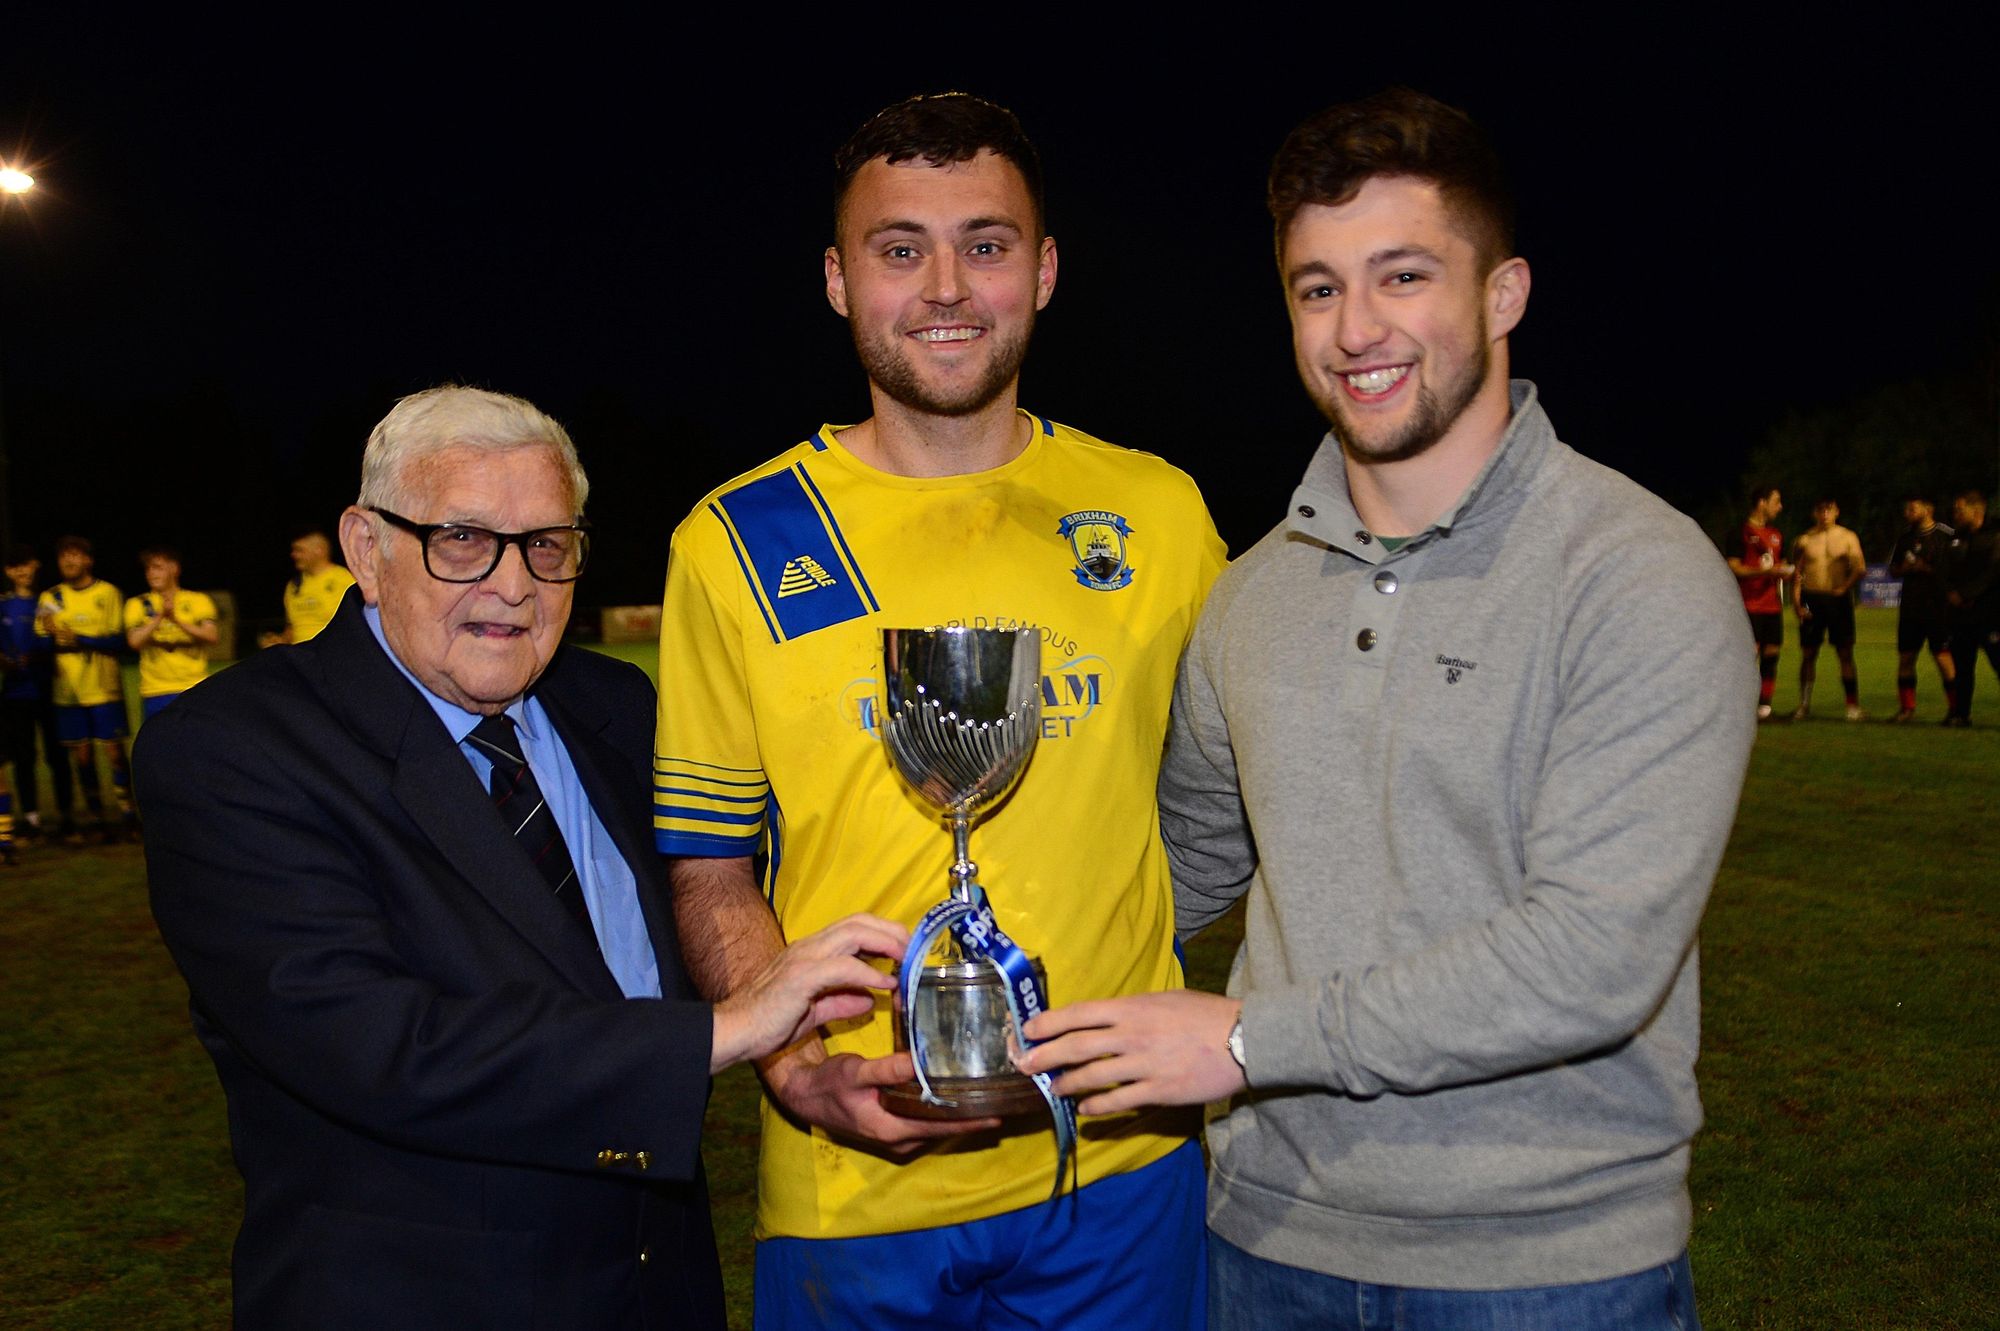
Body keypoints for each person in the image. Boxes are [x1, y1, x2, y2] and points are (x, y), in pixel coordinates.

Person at [1018, 89, 1754, 1330]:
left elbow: (1590, 959)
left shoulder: (1633, 569)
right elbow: (1171, 872)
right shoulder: (1248, 597)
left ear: (1502, 293)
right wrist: (973, 983)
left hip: (1547, 1270)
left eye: (1401, 275)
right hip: (1266, 1243)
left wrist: (1247, 1041)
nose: (1355, 326)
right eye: (1316, 287)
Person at [138, 385, 910, 1330]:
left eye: (548, 544)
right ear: (365, 548)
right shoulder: (234, 748)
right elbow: (377, 1042)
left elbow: (718, 891)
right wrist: (727, 1031)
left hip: (659, 1287)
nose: (513, 583)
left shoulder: (616, 709)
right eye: (461, 538)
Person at [655, 93, 1226, 1330]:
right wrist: (803, 1071)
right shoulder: (736, 539)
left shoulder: (1160, 518)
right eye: (898, 248)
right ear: (835, 278)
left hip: (1120, 1165)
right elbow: (708, 868)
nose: (946, 285)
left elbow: (1242, 805)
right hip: (850, 1185)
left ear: (1045, 268)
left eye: (987, 241)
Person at [36, 535, 137, 841]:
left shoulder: (107, 593)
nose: (69, 561)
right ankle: (95, 817)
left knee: (115, 753)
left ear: (88, 560)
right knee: (81, 756)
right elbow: (41, 640)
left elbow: (117, 640)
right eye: (64, 556)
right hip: (68, 692)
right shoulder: (50, 598)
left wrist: (79, 638)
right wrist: (51, 639)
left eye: (76, 555)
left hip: (104, 687)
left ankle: (128, 814)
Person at [0, 546, 70, 847]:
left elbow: (58, 638)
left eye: (25, 565)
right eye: (14, 567)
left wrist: (41, 653)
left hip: (49, 690)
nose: (21, 572)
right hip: (16, 693)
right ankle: (30, 817)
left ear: (35, 565)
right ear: (7, 572)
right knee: (23, 756)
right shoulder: (3, 606)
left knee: (58, 753)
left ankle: (65, 816)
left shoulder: (49, 601)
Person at [1789, 498, 1867, 720]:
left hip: (1838, 601)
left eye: (1829, 510)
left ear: (1836, 512)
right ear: (1815, 513)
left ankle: (1852, 707)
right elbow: (1797, 574)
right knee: (1808, 653)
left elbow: (1860, 567)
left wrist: (1844, 587)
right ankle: (1803, 705)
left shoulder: (1847, 537)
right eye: (1821, 510)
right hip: (1811, 598)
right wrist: (1797, 603)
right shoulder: (1804, 539)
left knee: (1845, 652)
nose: (1825, 514)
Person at [124, 546, 220, 721]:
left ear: (174, 569)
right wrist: (160, 617)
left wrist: (176, 620)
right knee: (160, 744)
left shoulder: (197, 600)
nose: (151, 573)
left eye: (158, 567)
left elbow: (212, 636)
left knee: (196, 740)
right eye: (148, 568)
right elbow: (134, 642)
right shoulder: (137, 604)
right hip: (155, 689)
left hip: (194, 685)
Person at [1726, 484, 1792, 720]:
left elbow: (1779, 564)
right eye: (1777, 501)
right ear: (1762, 503)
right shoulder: (1740, 532)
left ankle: (1764, 709)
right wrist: (1766, 572)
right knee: (1748, 657)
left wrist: (1784, 572)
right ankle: (1739, 708)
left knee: (1771, 655)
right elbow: (1734, 568)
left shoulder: (1776, 535)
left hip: (1772, 605)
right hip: (1749, 605)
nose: (1780, 506)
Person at [1886, 496, 1955, 722]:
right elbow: (1893, 570)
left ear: (1928, 509)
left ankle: (1956, 710)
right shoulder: (1905, 538)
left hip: (1938, 608)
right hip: (1910, 609)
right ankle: (1907, 710)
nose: (1908, 512)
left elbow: (1956, 569)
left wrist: (1929, 569)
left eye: (1913, 508)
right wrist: (1904, 568)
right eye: (1907, 508)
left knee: (1944, 658)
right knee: (1906, 658)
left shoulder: (1945, 535)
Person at [1942, 490, 2000, 726]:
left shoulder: (1995, 535)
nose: (1955, 513)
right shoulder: (1956, 538)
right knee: (1963, 668)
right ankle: (1960, 714)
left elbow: (1994, 572)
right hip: (1961, 616)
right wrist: (1951, 593)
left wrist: (1967, 594)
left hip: (1991, 613)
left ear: (1977, 511)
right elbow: (1943, 570)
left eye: (1960, 509)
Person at [257, 529, 355, 647]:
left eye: (300, 550)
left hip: (333, 653)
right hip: (301, 657)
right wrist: (279, 641)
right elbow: (293, 628)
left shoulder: (345, 580)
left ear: (319, 550)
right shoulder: (293, 586)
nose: (294, 554)